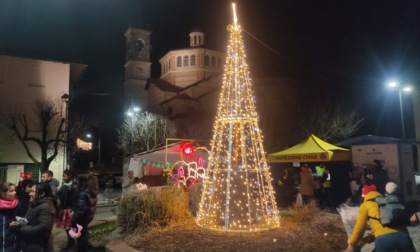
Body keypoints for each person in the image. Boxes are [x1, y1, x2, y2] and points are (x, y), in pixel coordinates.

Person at [347, 184, 415, 252]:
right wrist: (370, 237)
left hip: (384, 240)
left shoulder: (365, 205)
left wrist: (352, 243)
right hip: (403, 236)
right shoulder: (386, 202)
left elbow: (359, 228)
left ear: (364, 196)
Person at [11, 183, 56, 252]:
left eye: (32, 191)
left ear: (42, 194)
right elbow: (29, 220)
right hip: (29, 242)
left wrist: (21, 229)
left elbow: (43, 227)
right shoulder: (35, 203)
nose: (29, 194)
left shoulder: (46, 206)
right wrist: (19, 223)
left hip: (37, 245)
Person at [71, 172, 98, 251]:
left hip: (82, 218)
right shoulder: (90, 191)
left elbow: (80, 209)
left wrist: (73, 220)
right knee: (84, 233)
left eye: (77, 180)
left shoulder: (83, 193)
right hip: (87, 216)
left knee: (82, 237)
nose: (76, 181)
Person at [57, 169, 78, 252]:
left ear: (70, 176)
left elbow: (75, 200)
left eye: (64, 176)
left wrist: (73, 209)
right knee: (68, 228)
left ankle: (71, 246)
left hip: (69, 210)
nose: (63, 177)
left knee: (70, 228)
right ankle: (70, 244)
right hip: (64, 209)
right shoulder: (65, 186)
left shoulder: (73, 187)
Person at [0, 182, 19, 252]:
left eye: (15, 190)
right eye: (11, 191)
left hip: (12, 246)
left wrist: (18, 223)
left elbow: (25, 221)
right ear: (3, 193)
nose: (15, 193)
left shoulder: (18, 205)